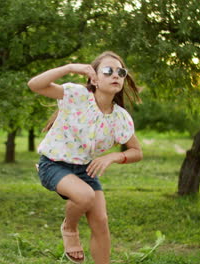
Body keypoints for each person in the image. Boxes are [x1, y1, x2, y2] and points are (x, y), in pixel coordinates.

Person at [28, 51, 143, 264]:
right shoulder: (77, 95)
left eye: (121, 72)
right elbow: (35, 85)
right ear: (94, 78)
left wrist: (113, 157)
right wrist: (69, 67)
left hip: (84, 169)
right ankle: (69, 228)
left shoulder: (120, 118)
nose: (115, 75)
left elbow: (136, 152)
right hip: (53, 164)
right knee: (85, 196)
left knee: (101, 221)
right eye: (108, 71)